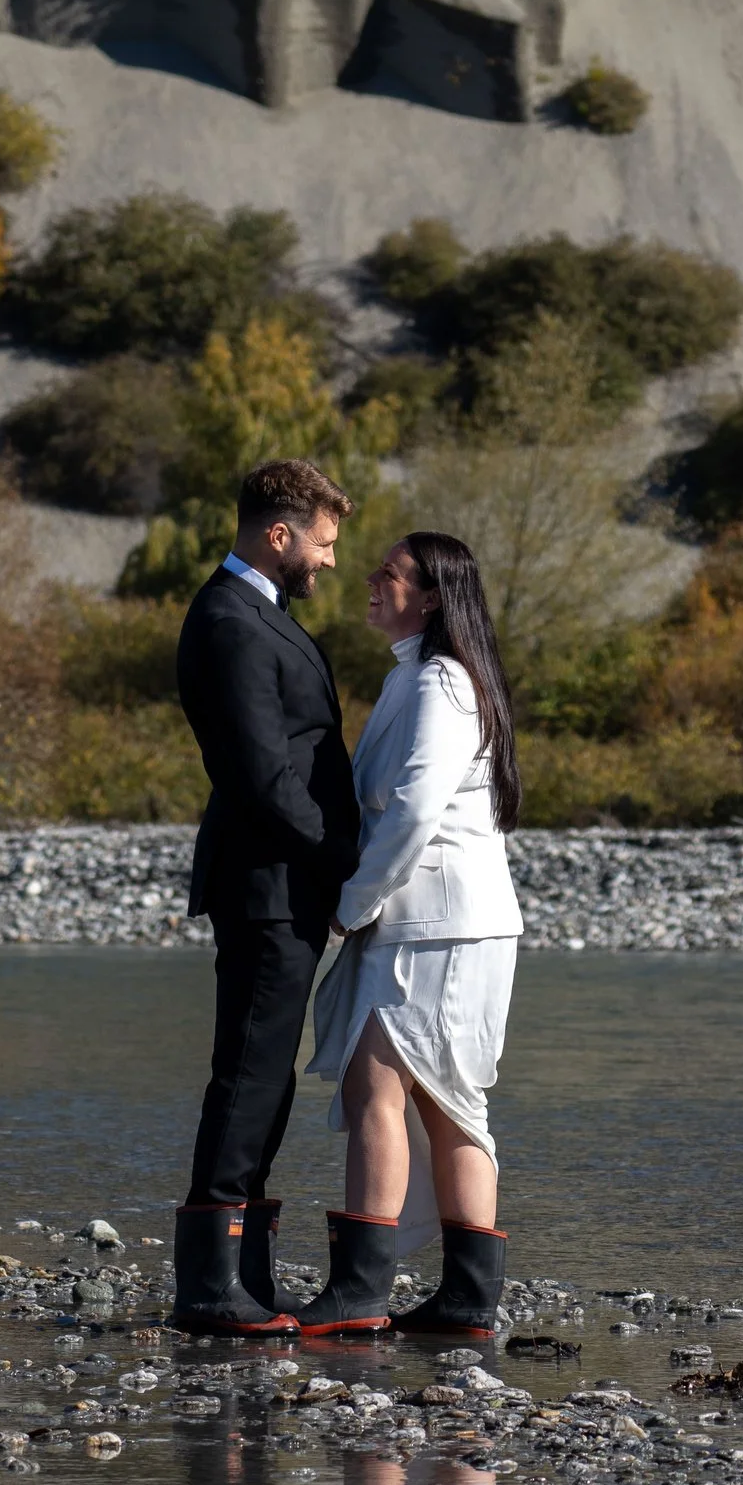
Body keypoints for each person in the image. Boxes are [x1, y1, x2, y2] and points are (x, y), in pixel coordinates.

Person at [299, 528, 522, 1342]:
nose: (369, 579)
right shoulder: (423, 679)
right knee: (434, 1101)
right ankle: (462, 1302)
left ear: (430, 596)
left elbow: (418, 810)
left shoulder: (441, 685)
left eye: (388, 573)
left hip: (438, 925)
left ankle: (363, 1291)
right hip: (437, 923)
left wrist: (352, 902)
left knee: (388, 1094)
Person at [170, 455, 360, 1336]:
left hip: (286, 883)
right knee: (248, 1074)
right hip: (269, 885)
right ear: (277, 534)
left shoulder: (259, 612)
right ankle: (211, 1289)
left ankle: (242, 1277)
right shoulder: (233, 620)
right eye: (321, 544)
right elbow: (260, 774)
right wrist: (342, 862)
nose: (328, 561)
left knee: (267, 1078)